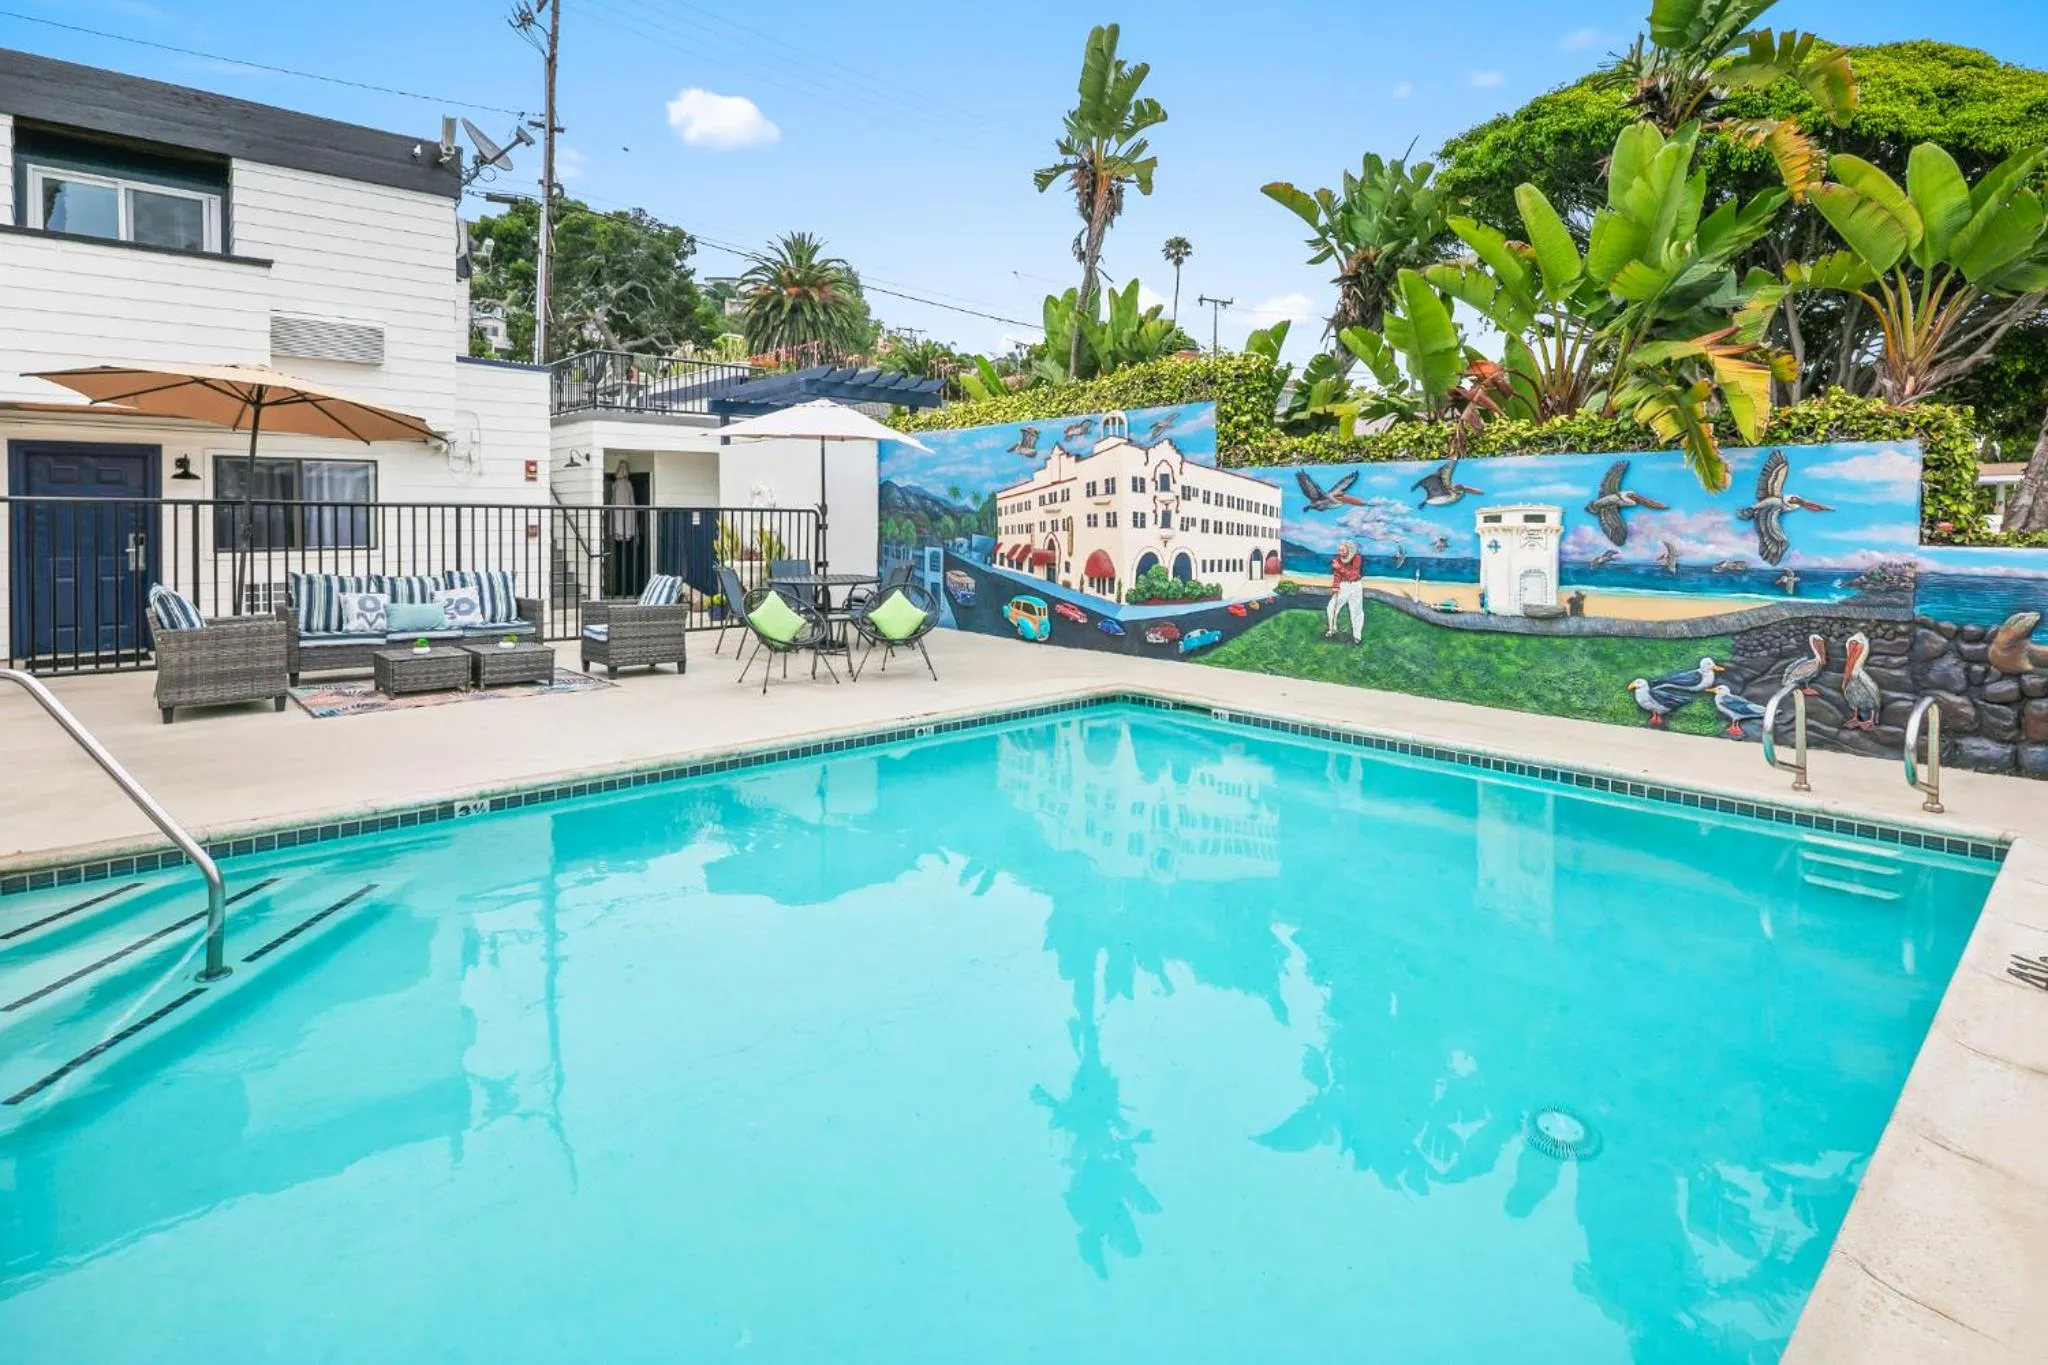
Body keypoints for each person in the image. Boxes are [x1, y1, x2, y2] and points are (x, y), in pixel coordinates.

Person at [1325, 539, 1365, 643]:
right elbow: (1337, 574)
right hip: (1343, 585)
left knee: (1356, 611)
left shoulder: (1357, 558)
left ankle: (1357, 636)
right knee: (1331, 607)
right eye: (1339, 550)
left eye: (1342, 551)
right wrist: (1335, 586)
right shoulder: (1338, 559)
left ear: (1349, 550)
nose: (1340, 553)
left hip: (1355, 585)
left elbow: (1353, 575)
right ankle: (1332, 629)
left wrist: (1339, 568)